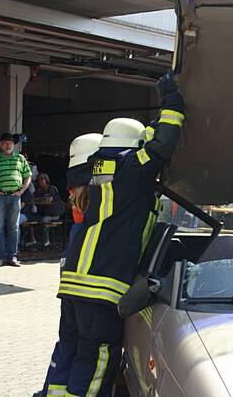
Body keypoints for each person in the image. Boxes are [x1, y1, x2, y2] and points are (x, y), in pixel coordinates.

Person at [46, 72, 185, 396]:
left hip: (74, 285)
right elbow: (162, 144)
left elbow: (148, 140)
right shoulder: (131, 168)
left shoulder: (97, 169)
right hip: (102, 288)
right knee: (96, 362)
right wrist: (172, 101)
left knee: (69, 351)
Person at [37, 133, 103, 397]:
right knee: (86, 351)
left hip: (71, 279)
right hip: (85, 284)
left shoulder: (77, 187)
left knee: (67, 343)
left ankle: (51, 392)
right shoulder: (99, 193)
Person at [0, 132, 31, 267]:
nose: (8, 145)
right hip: (0, 197)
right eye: (5, 143)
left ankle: (12, 257)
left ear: (14, 145)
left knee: (13, 227)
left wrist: (22, 190)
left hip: (15, 196)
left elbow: (28, 176)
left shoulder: (20, 159)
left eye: (10, 143)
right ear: (0, 145)